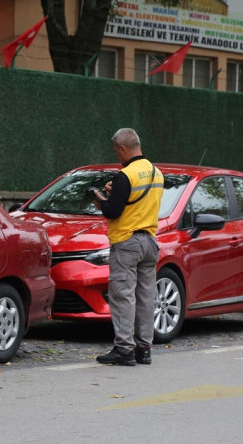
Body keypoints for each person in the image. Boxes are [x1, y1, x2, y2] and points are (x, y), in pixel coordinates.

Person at [91, 128, 163, 366]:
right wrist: (116, 195)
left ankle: (124, 350)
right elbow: (135, 201)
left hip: (127, 242)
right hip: (150, 242)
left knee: (123, 296)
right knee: (145, 297)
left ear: (123, 148)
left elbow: (113, 211)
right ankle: (144, 349)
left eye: (116, 151)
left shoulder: (125, 175)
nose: (117, 156)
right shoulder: (157, 173)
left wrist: (100, 199)